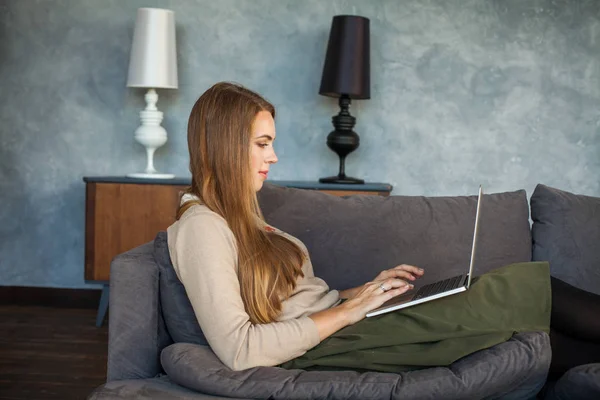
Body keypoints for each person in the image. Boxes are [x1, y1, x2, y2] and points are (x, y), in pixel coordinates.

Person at [167, 81, 600, 379]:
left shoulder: (237, 219)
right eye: (263, 143)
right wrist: (349, 313)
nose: (274, 156)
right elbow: (240, 349)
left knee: (520, 321)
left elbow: (288, 302)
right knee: (515, 289)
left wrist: (361, 293)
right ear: (224, 145)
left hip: (347, 328)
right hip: (335, 345)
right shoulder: (201, 228)